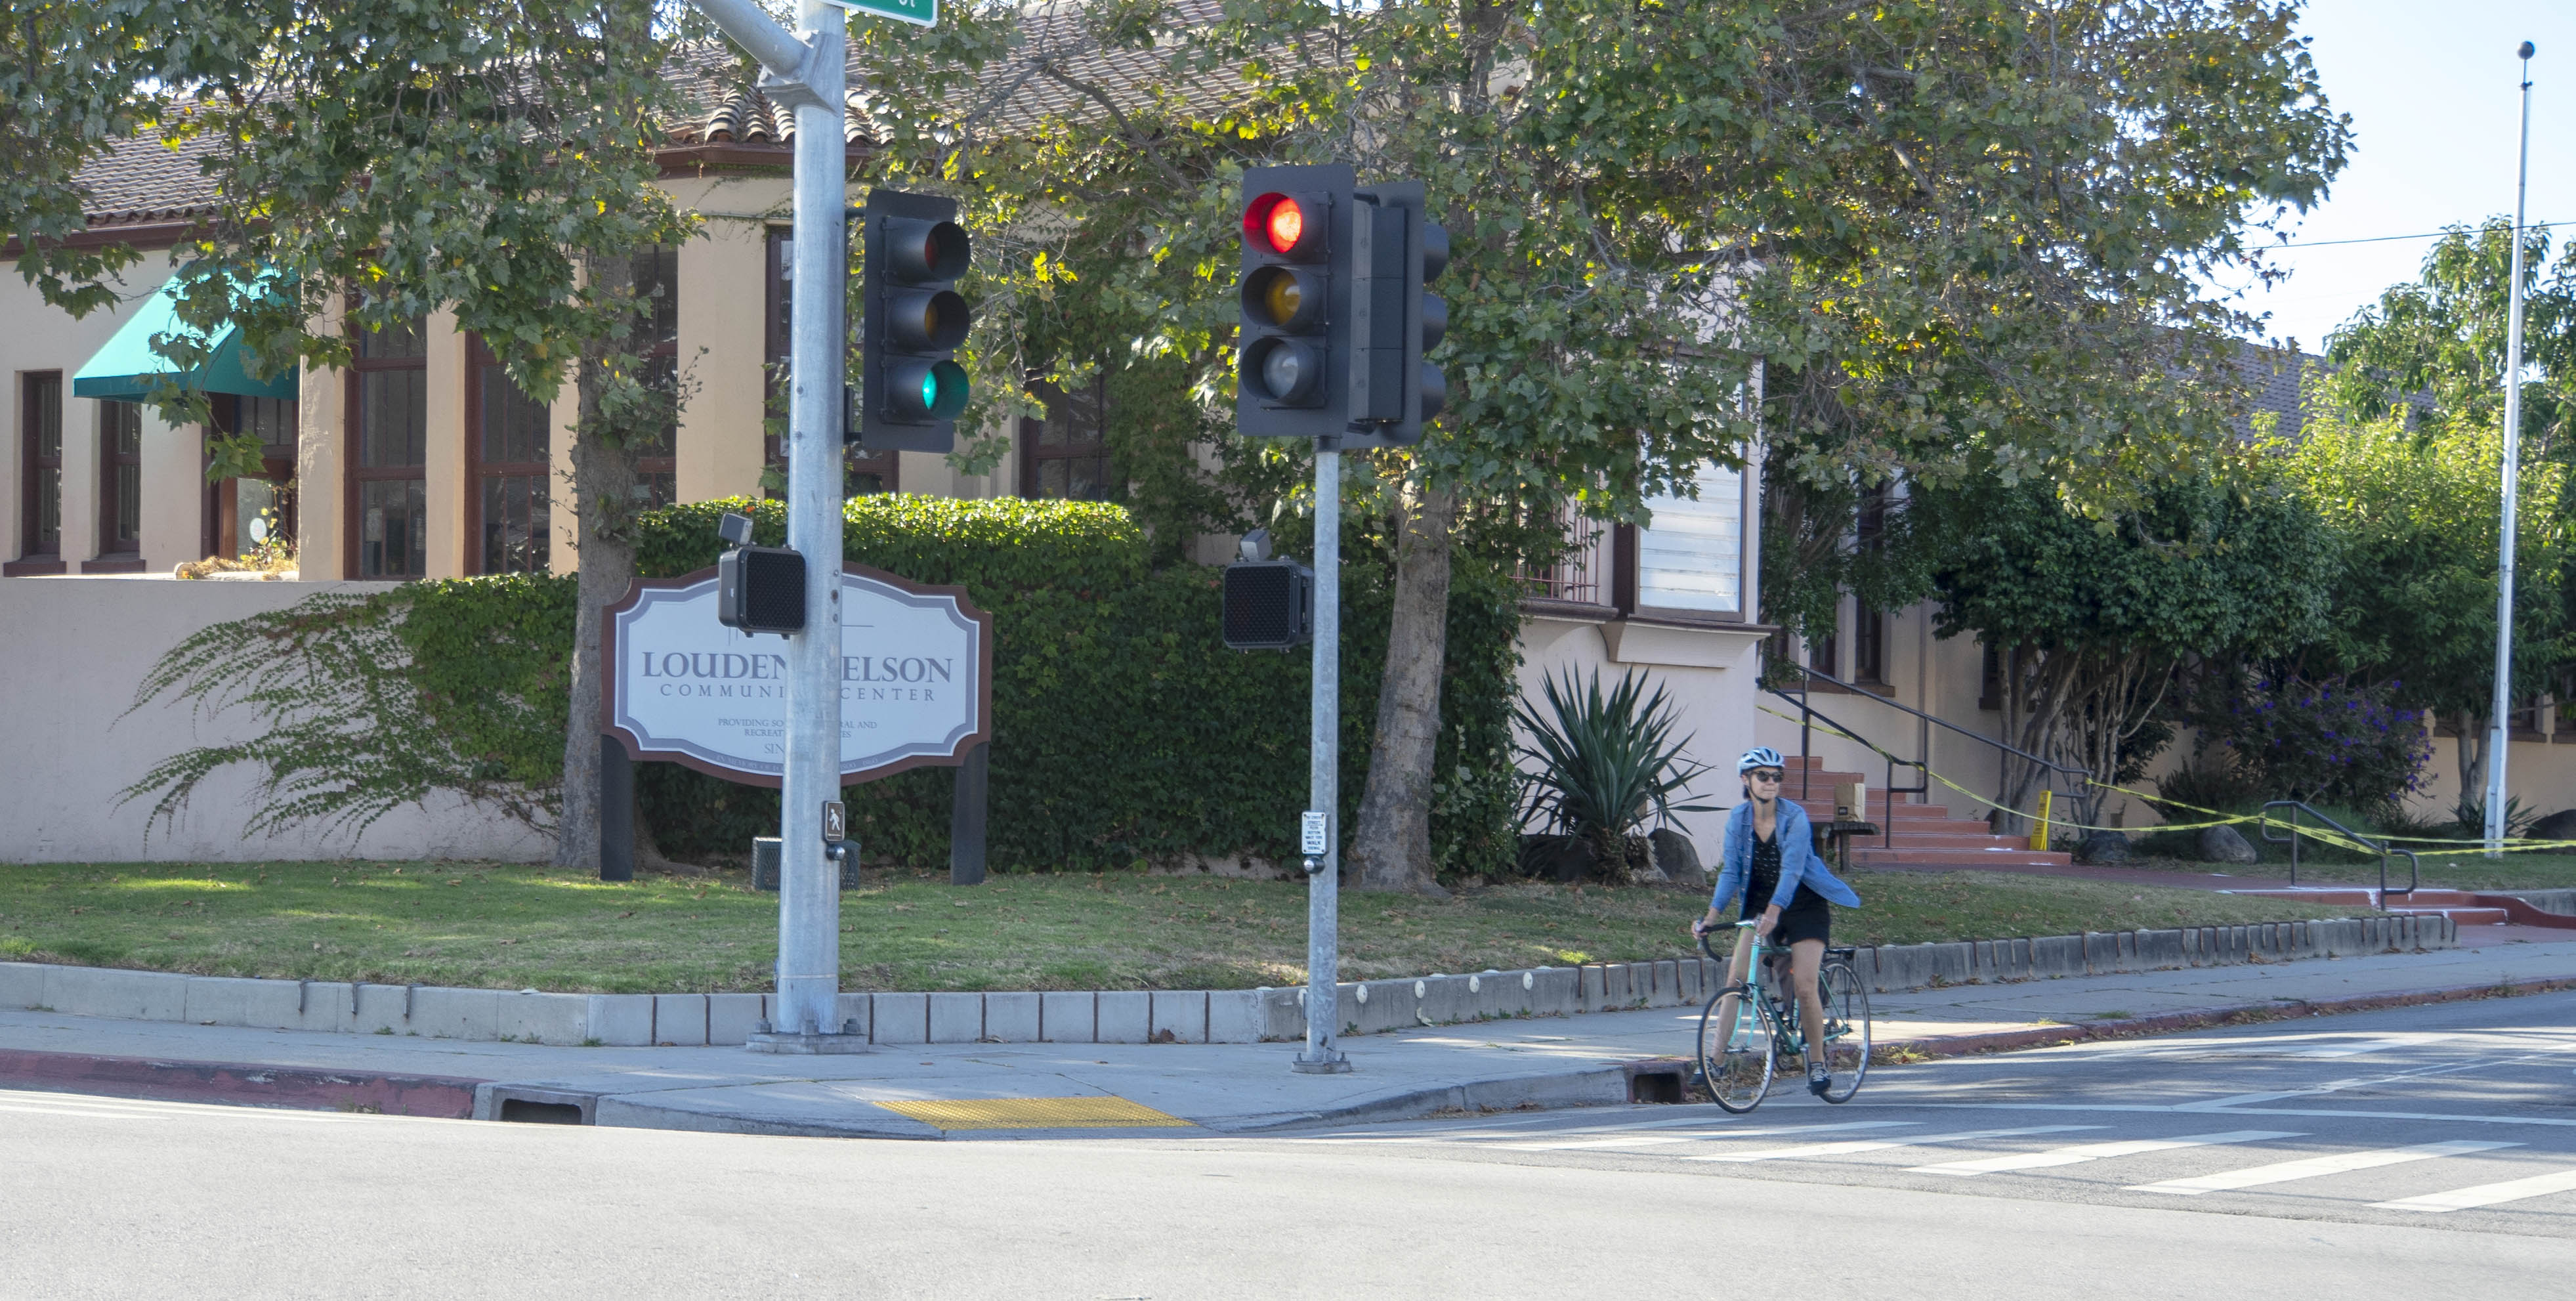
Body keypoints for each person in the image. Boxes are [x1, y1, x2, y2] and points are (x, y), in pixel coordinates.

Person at [1690, 746, 1863, 1096]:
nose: (1771, 783)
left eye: (1777, 777)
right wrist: (1710, 918)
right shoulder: (1738, 820)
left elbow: (1793, 869)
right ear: (1746, 780)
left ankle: (1816, 1063)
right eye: (1763, 776)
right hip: (1760, 905)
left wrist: (1774, 912)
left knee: (1804, 985)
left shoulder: (1794, 817)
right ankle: (1715, 1061)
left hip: (1802, 904)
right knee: (1736, 980)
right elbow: (1731, 872)